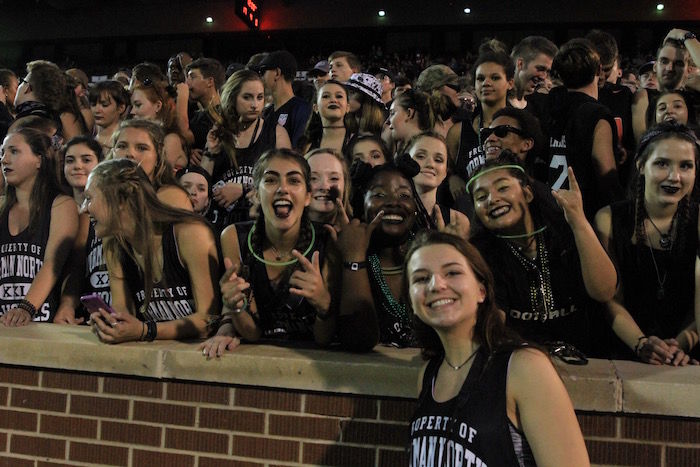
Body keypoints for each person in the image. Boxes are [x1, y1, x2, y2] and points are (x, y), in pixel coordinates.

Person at [406, 230, 589, 467]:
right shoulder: (428, 375)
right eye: (421, 278)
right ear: (411, 299)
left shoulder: (524, 367)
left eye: (452, 272)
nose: (436, 285)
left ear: (481, 291)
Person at [468, 154, 617, 354]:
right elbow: (493, 325)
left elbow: (604, 292)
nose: (492, 199)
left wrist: (579, 222)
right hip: (523, 364)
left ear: (528, 194)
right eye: (481, 196)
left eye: (502, 188)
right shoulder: (481, 253)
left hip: (587, 360)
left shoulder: (566, 231)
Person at [200, 149, 337, 357]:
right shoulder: (234, 237)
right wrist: (235, 307)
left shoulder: (326, 238)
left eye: (293, 181)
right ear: (255, 194)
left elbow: (323, 338)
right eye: (271, 180)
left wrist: (324, 303)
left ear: (308, 196)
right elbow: (252, 332)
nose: (283, 188)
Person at [595, 123, 699, 365]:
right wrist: (641, 343)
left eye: (686, 166)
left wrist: (679, 345)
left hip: (684, 356)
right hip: (624, 351)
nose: (675, 177)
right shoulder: (609, 219)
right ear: (641, 165)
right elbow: (609, 299)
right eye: (662, 163)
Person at [85, 158, 220, 344]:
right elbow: (123, 312)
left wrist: (146, 330)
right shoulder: (114, 243)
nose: (83, 208)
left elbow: (209, 320)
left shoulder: (190, 233)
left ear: (121, 199)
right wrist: (111, 323)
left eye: (89, 198)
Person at [335, 157, 431, 351]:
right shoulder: (347, 256)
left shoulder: (429, 258)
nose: (393, 202)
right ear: (362, 204)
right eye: (379, 194)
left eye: (404, 195)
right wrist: (355, 258)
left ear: (415, 207)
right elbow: (357, 339)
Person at [0, 128, 78, 325]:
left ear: (39, 160)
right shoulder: (1, 208)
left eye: (14, 151)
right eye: (2, 152)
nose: (4, 160)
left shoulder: (61, 205)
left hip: (42, 321)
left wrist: (26, 307)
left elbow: (53, 263)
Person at [202, 69, 291, 225]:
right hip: (220, 221)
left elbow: (286, 181)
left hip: (258, 219)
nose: (254, 105)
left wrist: (243, 189)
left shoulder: (276, 133)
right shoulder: (219, 132)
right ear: (232, 98)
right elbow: (202, 182)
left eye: (259, 97)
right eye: (247, 97)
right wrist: (211, 152)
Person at [447, 40, 514, 201]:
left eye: (495, 77)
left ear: (510, 83)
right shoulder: (458, 131)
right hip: (471, 216)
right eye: (480, 78)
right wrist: (451, 178)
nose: (486, 83)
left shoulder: (521, 126)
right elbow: (446, 167)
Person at [110, 119, 192, 211]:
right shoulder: (100, 192)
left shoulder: (172, 197)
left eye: (141, 148)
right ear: (113, 152)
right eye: (122, 146)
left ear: (158, 157)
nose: (130, 154)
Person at [407, 132, 470, 238]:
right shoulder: (392, 212)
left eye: (438, 160)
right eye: (421, 156)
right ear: (406, 161)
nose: (430, 164)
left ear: (445, 172)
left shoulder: (457, 221)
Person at [258, 50, 313, 149]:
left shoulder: (302, 110)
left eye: (262, 72)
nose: (260, 77)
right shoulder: (267, 112)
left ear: (277, 73)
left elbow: (299, 151)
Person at [299, 80, 352, 154]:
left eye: (339, 96)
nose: (333, 100)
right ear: (315, 108)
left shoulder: (359, 142)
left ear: (348, 107)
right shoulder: (305, 145)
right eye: (326, 96)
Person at [305, 148, 352, 230]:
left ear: (345, 186)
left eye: (334, 178)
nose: (325, 186)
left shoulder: (360, 233)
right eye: (313, 178)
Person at [509, 35, 558, 109]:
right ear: (520, 64)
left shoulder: (542, 105)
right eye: (540, 69)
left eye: (547, 71)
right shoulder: (497, 100)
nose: (544, 77)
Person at [88, 80, 129, 154]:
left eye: (104, 105)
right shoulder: (87, 141)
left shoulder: (128, 140)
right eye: (93, 104)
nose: (97, 110)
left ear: (121, 108)